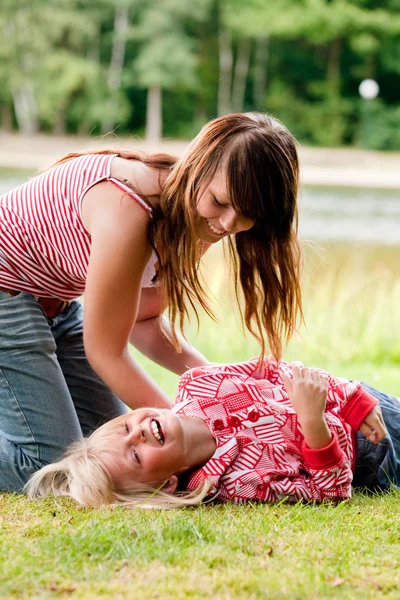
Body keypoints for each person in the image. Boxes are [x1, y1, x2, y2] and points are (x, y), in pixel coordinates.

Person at [0, 112, 302, 492]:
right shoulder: (129, 211)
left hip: (55, 304)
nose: (227, 224)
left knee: (103, 447)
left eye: (248, 216)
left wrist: (224, 386)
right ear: (199, 164)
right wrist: (192, 433)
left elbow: (143, 321)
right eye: (221, 202)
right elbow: (106, 352)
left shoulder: (195, 215)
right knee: (48, 461)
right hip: (6, 289)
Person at [26, 357, 400, 508]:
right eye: (135, 455)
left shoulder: (198, 383)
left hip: (363, 405)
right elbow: (330, 492)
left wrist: (351, 398)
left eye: (126, 425)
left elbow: (278, 371)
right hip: (372, 460)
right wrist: (313, 425)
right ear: (169, 484)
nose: (137, 433)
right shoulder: (233, 483)